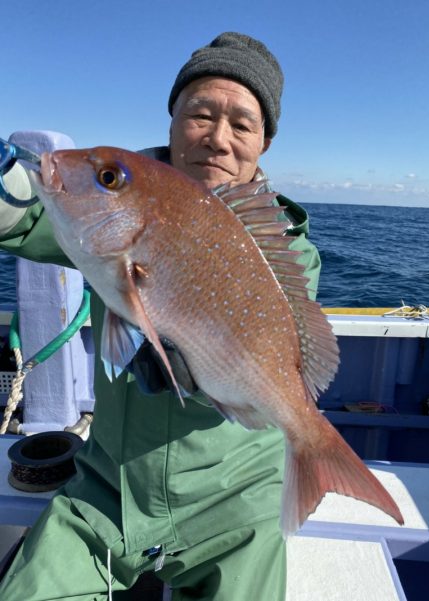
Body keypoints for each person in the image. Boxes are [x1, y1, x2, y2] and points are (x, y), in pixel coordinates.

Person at [0, 32, 321, 601]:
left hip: (237, 500)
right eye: (200, 114)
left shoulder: (288, 249)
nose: (218, 140)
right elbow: (24, 217)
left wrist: (199, 368)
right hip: (109, 489)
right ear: (172, 120)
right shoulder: (114, 201)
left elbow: (276, 352)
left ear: (264, 142)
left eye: (242, 125)